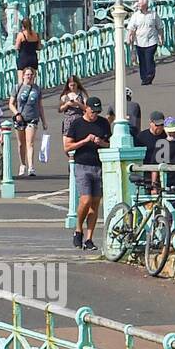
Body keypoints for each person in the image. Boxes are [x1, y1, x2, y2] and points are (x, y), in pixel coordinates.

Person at [64, 97, 111, 251]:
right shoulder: (77, 123)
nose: (95, 115)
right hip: (82, 164)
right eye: (92, 111)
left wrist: (101, 143)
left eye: (98, 112)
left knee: (95, 202)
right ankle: (78, 229)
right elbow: (67, 147)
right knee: (86, 200)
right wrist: (84, 141)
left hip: (99, 165)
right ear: (86, 109)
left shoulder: (103, 123)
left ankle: (89, 238)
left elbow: (110, 143)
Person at [8, 66, 46, 178]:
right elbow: (11, 103)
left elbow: (40, 106)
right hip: (20, 118)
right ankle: (22, 164)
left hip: (32, 117)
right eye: (27, 74)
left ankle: (31, 167)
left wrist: (44, 120)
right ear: (23, 75)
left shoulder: (37, 89)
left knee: (30, 143)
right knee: (21, 143)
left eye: (31, 74)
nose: (29, 76)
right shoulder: (18, 87)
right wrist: (17, 113)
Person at [126, 0, 163, 85]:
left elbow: (160, 27)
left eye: (140, 4)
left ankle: (150, 75)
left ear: (146, 5)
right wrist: (129, 37)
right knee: (142, 61)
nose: (138, 5)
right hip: (139, 41)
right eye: (138, 4)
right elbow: (131, 28)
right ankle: (144, 78)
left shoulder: (153, 14)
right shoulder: (135, 16)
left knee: (149, 58)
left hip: (151, 41)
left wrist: (161, 37)